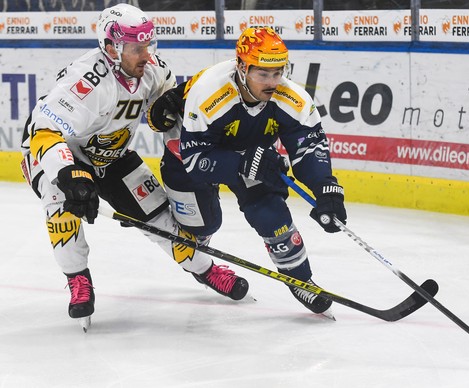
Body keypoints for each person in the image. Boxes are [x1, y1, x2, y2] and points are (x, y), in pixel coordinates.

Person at [20, 3, 248, 329]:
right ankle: (77, 278)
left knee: (160, 218)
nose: (146, 54)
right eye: (136, 47)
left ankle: (204, 269)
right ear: (112, 47)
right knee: (62, 207)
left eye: (147, 44)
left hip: (112, 157)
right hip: (59, 155)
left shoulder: (151, 69)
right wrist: (70, 175)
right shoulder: (85, 83)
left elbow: (166, 113)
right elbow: (43, 132)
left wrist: (176, 123)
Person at [147, 27, 347, 316]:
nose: (272, 82)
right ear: (242, 67)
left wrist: (326, 186)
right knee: (204, 226)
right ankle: (199, 263)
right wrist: (243, 161)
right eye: (262, 74)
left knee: (272, 214)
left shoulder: (291, 98)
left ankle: (301, 280)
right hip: (188, 155)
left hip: (249, 154)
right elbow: (194, 159)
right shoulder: (210, 94)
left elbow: (308, 147)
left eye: (278, 73)